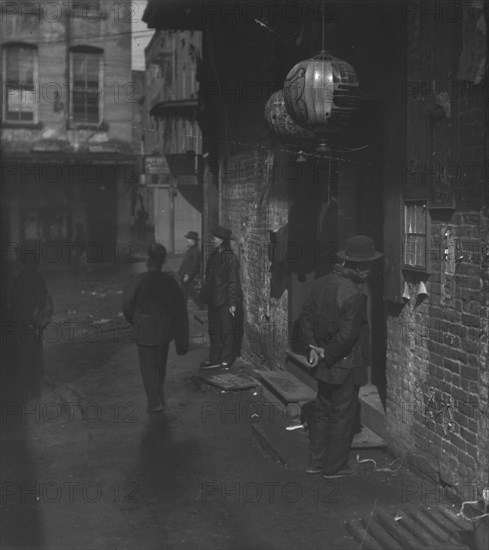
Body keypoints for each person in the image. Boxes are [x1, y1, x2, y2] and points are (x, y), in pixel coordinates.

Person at [298, 235, 383, 478]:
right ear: (357, 266)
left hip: (324, 363)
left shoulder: (321, 283)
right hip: (345, 363)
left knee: (323, 411)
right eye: (366, 266)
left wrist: (314, 347)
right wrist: (328, 353)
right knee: (343, 415)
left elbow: (304, 317)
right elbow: (347, 336)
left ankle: (315, 463)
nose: (368, 271)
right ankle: (334, 467)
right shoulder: (353, 294)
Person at [123, 244, 189, 412]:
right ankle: (157, 396)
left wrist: (134, 320)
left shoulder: (138, 281)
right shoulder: (170, 282)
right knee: (160, 365)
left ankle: (155, 401)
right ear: (163, 261)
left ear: (147, 261)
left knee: (148, 367)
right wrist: (180, 335)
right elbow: (180, 309)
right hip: (164, 332)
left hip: (144, 330)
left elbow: (127, 305)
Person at [9, 242, 53, 400]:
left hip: (23, 327)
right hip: (36, 327)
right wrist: (41, 319)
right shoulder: (39, 277)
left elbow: (21, 304)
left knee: (22, 361)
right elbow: (46, 301)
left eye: (19, 258)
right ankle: (36, 394)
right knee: (35, 359)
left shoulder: (20, 280)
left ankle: (24, 396)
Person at [199, 226, 243, 370]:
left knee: (226, 331)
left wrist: (232, 302)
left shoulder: (230, 258)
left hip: (224, 302)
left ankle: (225, 360)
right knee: (214, 331)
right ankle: (214, 359)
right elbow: (209, 277)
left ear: (222, 240)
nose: (212, 240)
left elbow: (233, 281)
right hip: (213, 299)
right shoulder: (213, 256)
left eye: (215, 238)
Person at [177, 231, 201, 305]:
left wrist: (188, 275)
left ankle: (202, 306)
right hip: (185, 276)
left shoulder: (195, 252)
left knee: (189, 294)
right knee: (189, 294)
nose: (187, 240)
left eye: (189, 239)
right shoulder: (191, 250)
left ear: (194, 241)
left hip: (188, 278)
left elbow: (195, 266)